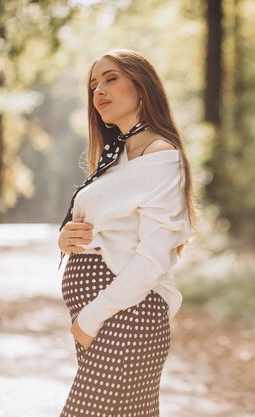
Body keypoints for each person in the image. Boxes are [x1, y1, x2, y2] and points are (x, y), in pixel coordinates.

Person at [56, 49, 198, 417]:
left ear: (142, 86)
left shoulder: (161, 156)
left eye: (111, 78)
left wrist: (90, 318)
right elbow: (106, 230)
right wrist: (66, 239)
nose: (98, 91)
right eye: (93, 85)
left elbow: (153, 257)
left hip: (126, 317)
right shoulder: (115, 158)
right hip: (110, 319)